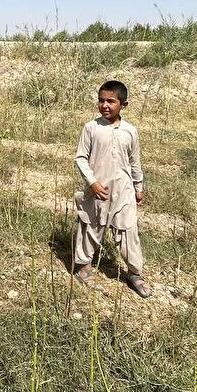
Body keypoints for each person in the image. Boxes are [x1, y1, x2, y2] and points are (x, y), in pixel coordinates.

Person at [72, 79, 152, 298]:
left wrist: (138, 186)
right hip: (98, 189)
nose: (105, 105)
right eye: (101, 101)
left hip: (123, 190)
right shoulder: (91, 128)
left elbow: (135, 161)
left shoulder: (130, 131)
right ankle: (83, 267)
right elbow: (80, 158)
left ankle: (135, 273)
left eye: (111, 101)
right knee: (91, 226)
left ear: (123, 104)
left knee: (128, 231)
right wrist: (93, 183)